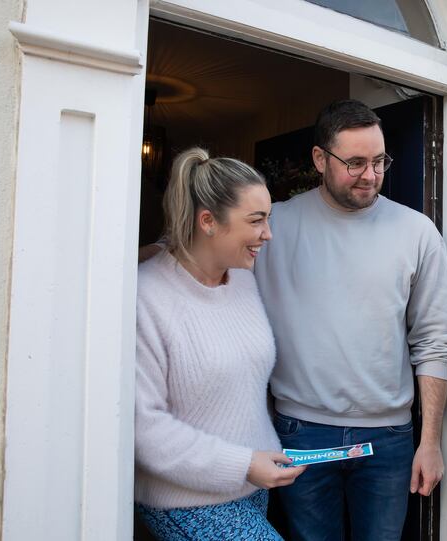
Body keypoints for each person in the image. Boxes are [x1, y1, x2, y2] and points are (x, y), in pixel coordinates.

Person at [254, 99, 447, 540]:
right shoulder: (274, 226)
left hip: (388, 438)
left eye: (379, 161)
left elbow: (436, 338)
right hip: (301, 433)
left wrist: (429, 442)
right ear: (319, 159)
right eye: (355, 162)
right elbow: (205, 262)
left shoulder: (417, 231)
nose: (370, 175)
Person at [135, 148, 305, 540]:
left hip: (253, 487)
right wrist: (244, 463)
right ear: (208, 221)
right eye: (256, 220)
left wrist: (253, 465)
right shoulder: (147, 296)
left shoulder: (242, 279)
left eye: (269, 219)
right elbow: (145, 428)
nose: (268, 234)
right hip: (187, 500)